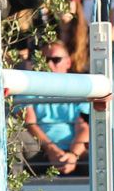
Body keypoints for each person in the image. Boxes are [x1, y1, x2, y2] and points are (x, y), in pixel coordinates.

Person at [19, 40, 89, 177]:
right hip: (39, 151)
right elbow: (29, 124)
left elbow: (83, 127)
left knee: (100, 155)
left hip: (75, 152)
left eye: (56, 60)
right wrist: (51, 149)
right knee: (14, 132)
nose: (49, 65)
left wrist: (73, 155)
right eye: (45, 60)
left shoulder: (78, 88)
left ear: (68, 62)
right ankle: (11, 188)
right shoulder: (29, 87)